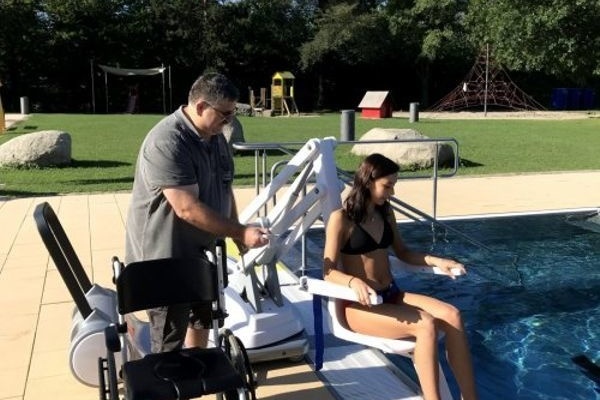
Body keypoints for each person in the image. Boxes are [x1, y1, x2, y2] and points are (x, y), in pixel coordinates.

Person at [125, 72, 269, 354]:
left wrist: (236, 230)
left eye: (232, 114)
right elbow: (186, 208)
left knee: (203, 318)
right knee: (169, 336)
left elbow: (225, 188)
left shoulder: (215, 137)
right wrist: (240, 232)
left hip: (203, 254)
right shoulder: (167, 141)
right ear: (201, 106)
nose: (229, 120)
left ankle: (198, 364)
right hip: (166, 257)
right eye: (225, 114)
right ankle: (170, 376)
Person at [323, 153, 478, 400]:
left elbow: (403, 253)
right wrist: (353, 281)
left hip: (392, 295)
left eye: (393, 185)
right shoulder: (341, 219)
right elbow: (328, 271)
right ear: (368, 181)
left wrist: (438, 261)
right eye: (387, 186)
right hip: (359, 307)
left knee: (453, 315)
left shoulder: (385, 213)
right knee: (426, 324)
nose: (392, 193)